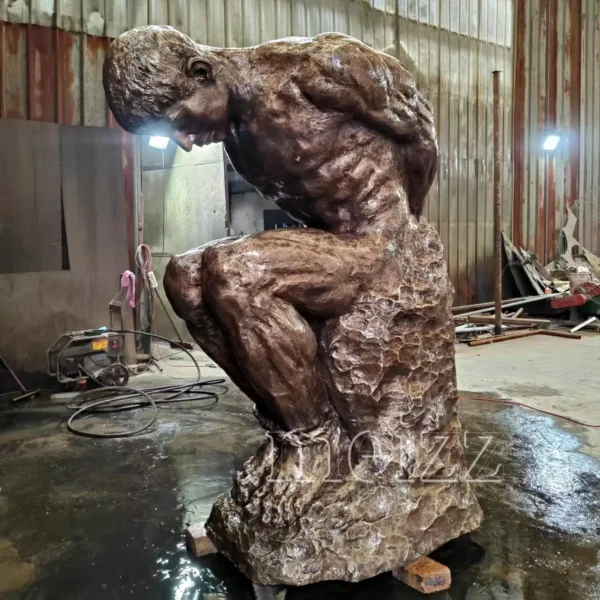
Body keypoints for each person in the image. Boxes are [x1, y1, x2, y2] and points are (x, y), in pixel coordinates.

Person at [104, 26, 454, 528]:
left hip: (383, 242)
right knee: (182, 276)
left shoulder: (320, 69)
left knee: (239, 273)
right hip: (335, 245)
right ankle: (289, 422)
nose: (184, 144)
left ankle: (315, 443)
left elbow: (420, 133)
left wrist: (410, 230)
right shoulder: (237, 130)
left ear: (201, 72)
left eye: (178, 122)